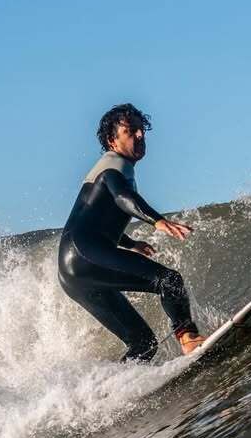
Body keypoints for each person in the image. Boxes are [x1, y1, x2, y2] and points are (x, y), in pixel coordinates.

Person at [57, 104, 205, 362]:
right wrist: (156, 220)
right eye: (130, 131)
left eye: (141, 130)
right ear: (111, 140)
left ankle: (112, 393)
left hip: (73, 270)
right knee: (169, 281)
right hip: (84, 255)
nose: (140, 136)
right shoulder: (113, 169)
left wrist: (129, 242)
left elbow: (94, 218)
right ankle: (189, 338)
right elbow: (123, 198)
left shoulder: (109, 169)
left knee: (143, 344)